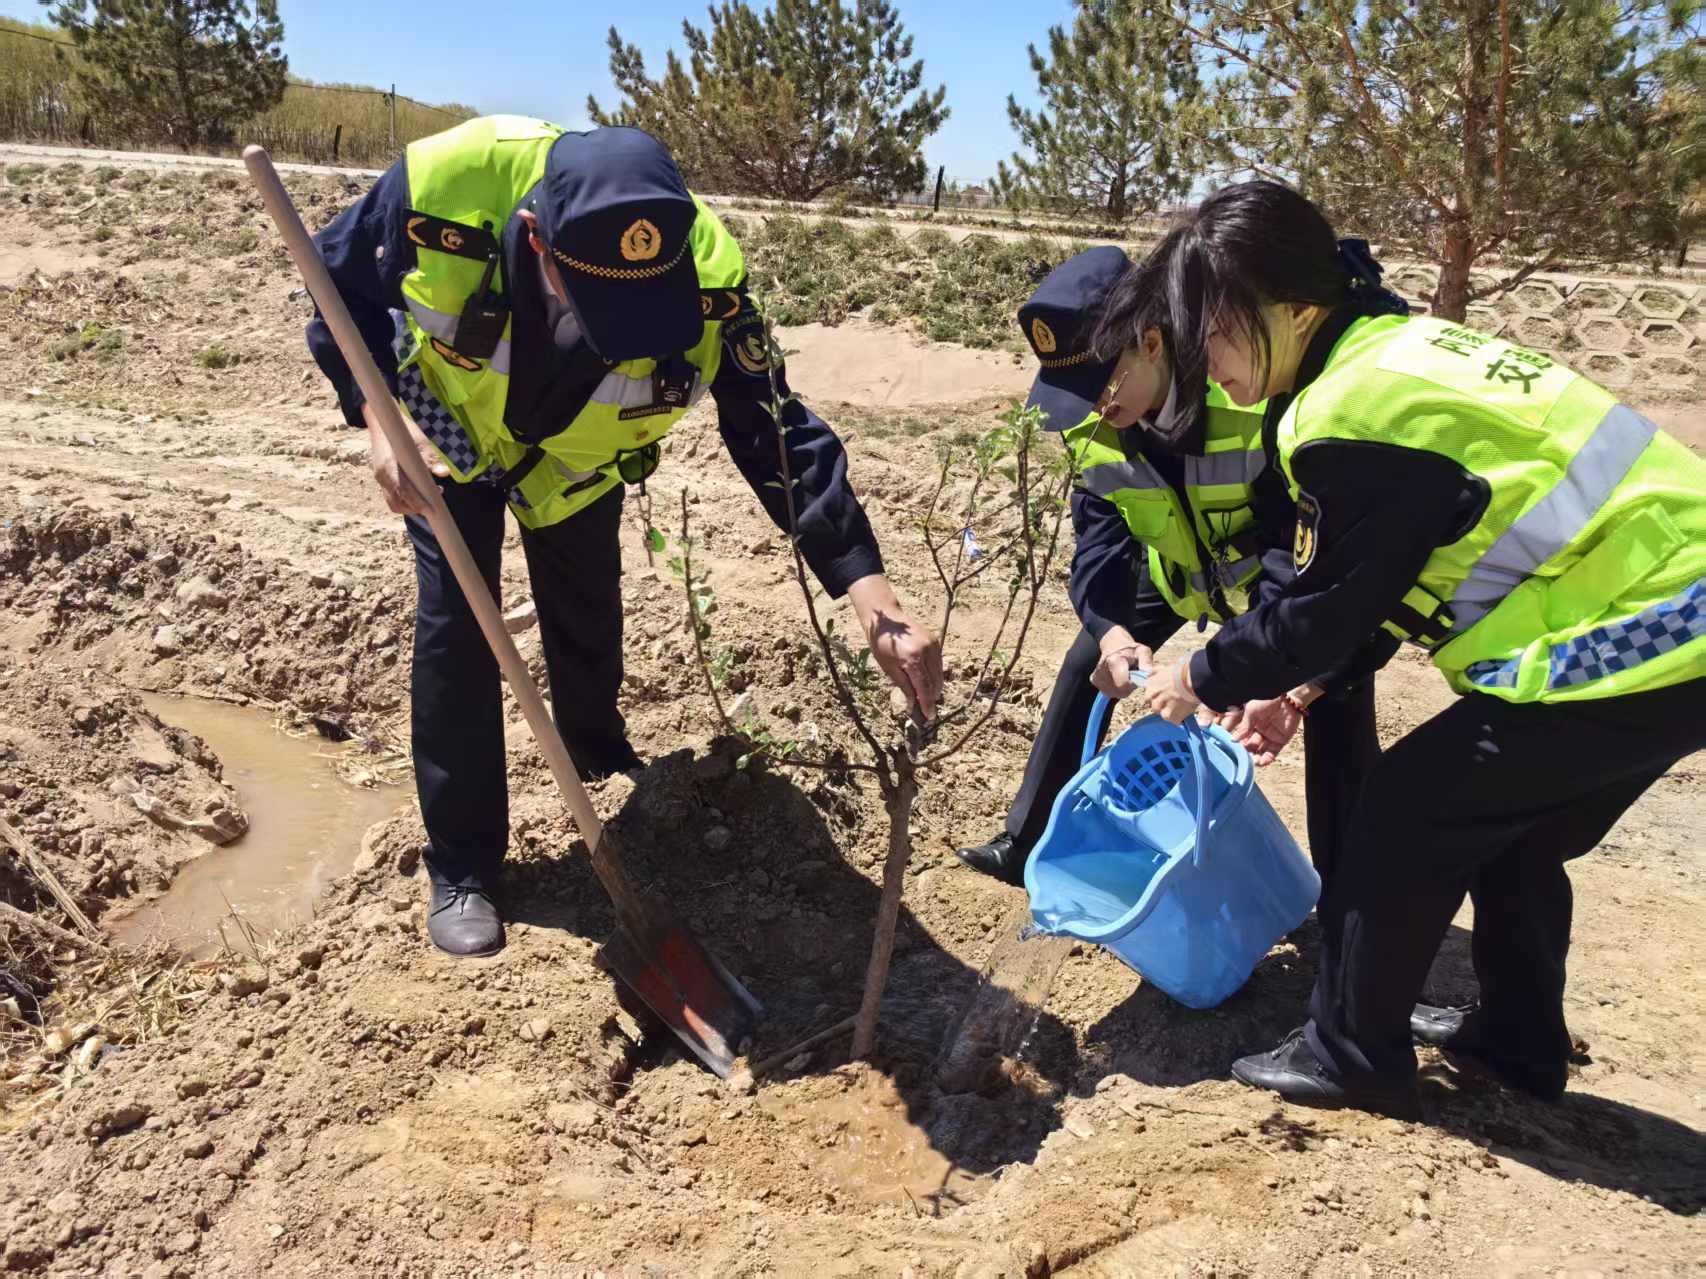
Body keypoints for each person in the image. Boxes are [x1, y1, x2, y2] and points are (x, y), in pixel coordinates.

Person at [1100, 179, 1706, 1115]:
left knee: (1406, 806)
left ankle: (1350, 1053)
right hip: (1668, 617)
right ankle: (1518, 1043)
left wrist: (1200, 673)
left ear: (1288, 307)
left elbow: (1327, 607)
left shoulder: (1352, 406)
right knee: (1515, 828)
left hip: (1646, 628)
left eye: (1212, 333)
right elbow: (1384, 578)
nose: (1203, 363)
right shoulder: (1391, 356)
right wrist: (1295, 689)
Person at [304, 116, 943, 957]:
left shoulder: (713, 276)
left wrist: (868, 589)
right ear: (536, 241)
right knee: (460, 628)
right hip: (446, 429)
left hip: (576, 458)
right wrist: (378, 419)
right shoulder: (445, 185)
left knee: (588, 612)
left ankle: (598, 761)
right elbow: (333, 280)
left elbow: (774, 430)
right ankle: (464, 865)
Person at [955, 246, 1385, 895]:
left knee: (1333, 695)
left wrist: (1254, 672)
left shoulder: (1246, 396)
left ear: (1151, 344)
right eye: (1075, 392)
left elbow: (1297, 550)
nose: (1089, 406)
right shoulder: (1094, 424)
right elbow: (1098, 542)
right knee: (1089, 662)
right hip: (1183, 571)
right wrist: (1112, 633)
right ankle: (1029, 843)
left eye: (1100, 383)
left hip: (1283, 576)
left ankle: (1350, 904)